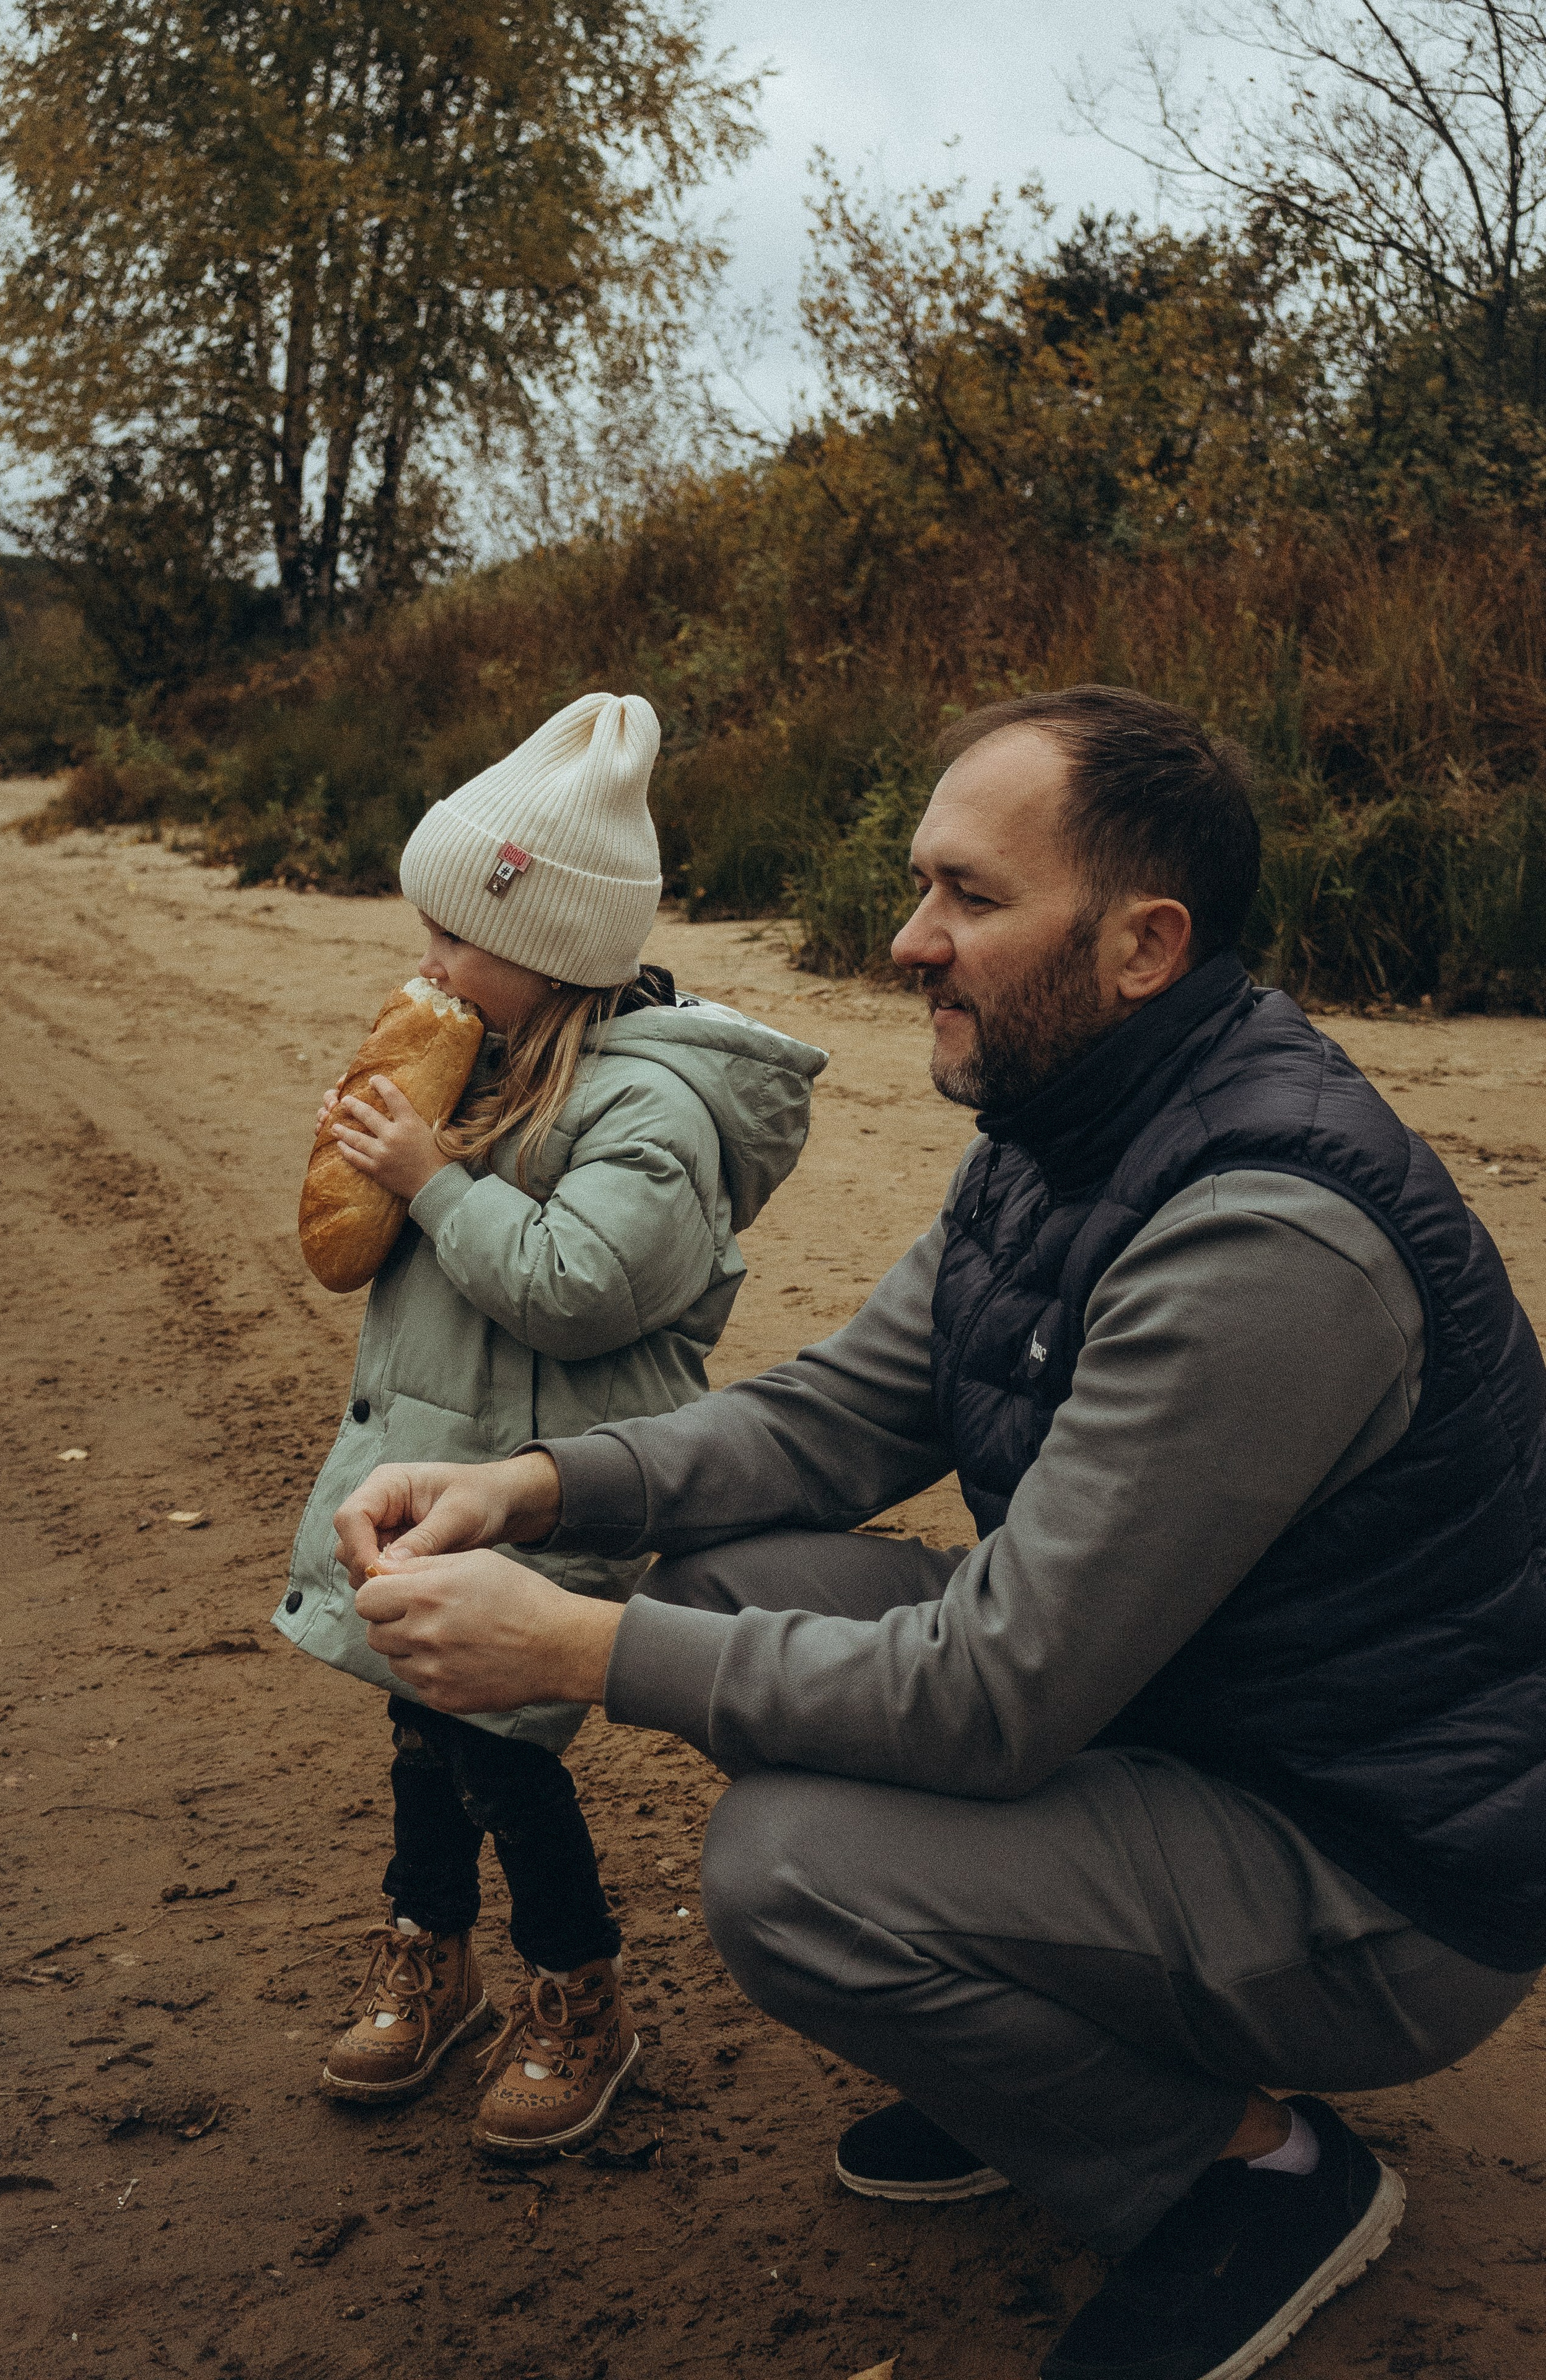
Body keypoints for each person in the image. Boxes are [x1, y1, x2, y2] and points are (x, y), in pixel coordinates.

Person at [326, 685, 1545, 2380]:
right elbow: (833, 1417)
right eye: (921, 888)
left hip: (1365, 1870)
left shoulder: (1265, 1238)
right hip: (1190, 1716)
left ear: (1142, 944)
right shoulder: (1068, 1122)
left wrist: (579, 1649)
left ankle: (1252, 2175)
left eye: (970, 898)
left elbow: (994, 1702)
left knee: (790, 1875)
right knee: (731, 1575)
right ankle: (1039, 2048)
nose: (909, 941)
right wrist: (540, 1489)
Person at [272, 689, 825, 2157]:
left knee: (505, 1751)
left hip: (551, 1487)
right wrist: (384, 1164)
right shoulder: (486, 1063)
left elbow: (576, 1289)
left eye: (453, 938)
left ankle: (581, 1991)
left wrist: (431, 1180)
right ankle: (429, 1950)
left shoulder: (656, 1112)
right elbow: (377, 1267)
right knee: (421, 1731)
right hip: (433, 1456)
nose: (427, 964)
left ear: (549, 949)